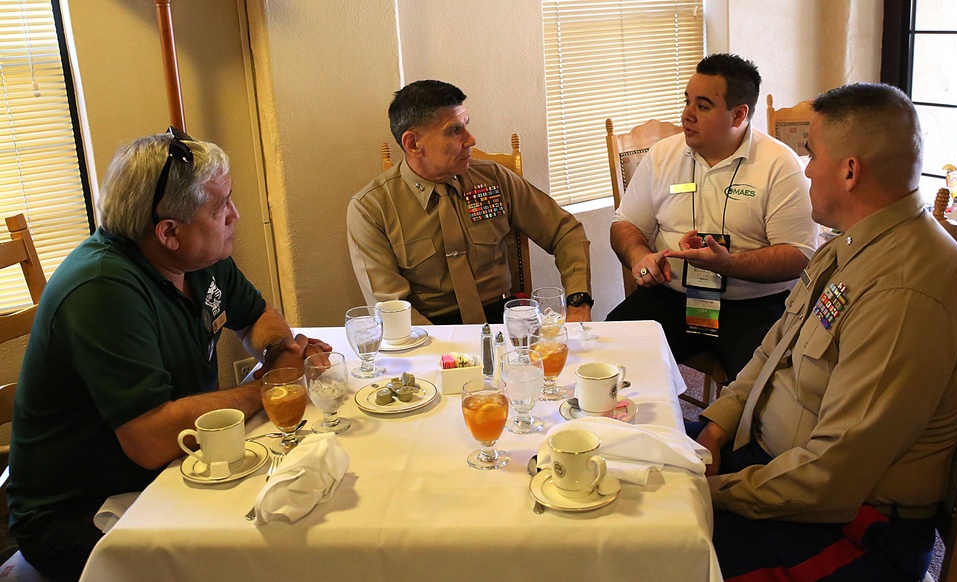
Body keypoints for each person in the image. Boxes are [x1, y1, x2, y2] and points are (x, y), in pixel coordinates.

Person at [7, 129, 328, 580]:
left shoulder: (200, 258)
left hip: (178, 468)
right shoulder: (102, 289)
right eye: (220, 208)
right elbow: (151, 439)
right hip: (84, 514)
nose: (235, 216)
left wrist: (279, 351)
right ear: (169, 232)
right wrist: (269, 386)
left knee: (308, 511)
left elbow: (258, 316)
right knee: (281, 555)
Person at [692, 83, 957, 580]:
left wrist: (706, 494)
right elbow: (771, 351)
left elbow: (832, 475)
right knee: (626, 478)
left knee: (648, 553)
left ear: (850, 172)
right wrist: (715, 427)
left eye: (812, 155)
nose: (805, 170)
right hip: (773, 469)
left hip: (850, 526)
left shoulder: (906, 292)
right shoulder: (848, 248)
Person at [607, 53, 818, 380]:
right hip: (673, 296)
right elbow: (625, 225)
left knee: (766, 392)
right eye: (687, 101)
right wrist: (640, 257)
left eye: (702, 106)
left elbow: (799, 255)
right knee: (605, 356)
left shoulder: (780, 165)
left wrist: (728, 264)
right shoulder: (664, 155)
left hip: (751, 305)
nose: (686, 115)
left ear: (739, 115)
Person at [348, 80, 593, 326]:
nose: (471, 139)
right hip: (432, 331)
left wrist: (578, 301)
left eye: (466, 125)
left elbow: (565, 231)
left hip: (506, 321)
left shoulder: (493, 178)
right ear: (413, 144)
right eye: (454, 130)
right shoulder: (371, 209)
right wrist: (450, 355)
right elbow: (393, 310)